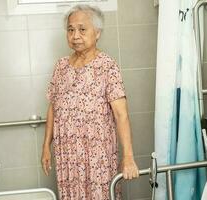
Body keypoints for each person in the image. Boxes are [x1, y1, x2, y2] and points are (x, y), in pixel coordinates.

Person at [41, 4, 139, 200]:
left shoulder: (107, 66)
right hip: (67, 155)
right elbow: (53, 107)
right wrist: (46, 147)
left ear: (97, 33)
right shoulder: (61, 67)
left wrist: (128, 156)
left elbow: (121, 114)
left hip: (98, 155)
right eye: (70, 30)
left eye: (82, 29)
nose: (75, 35)